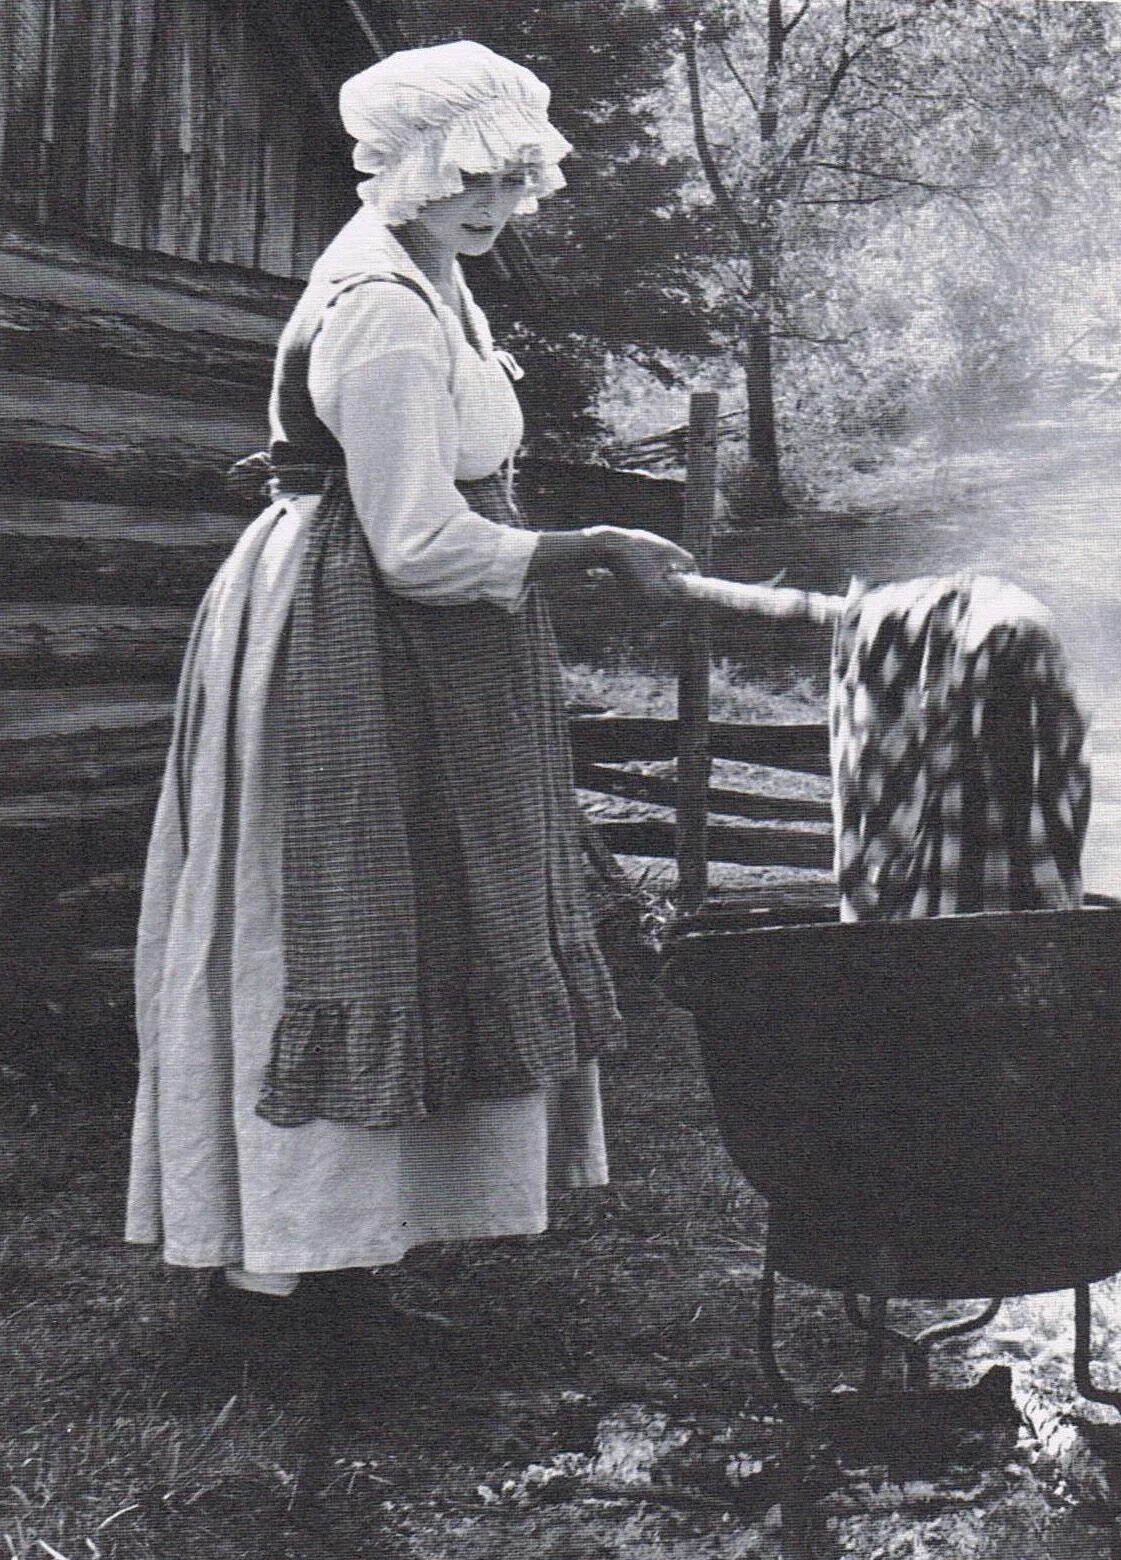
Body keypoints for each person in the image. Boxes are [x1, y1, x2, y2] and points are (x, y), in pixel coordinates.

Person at [126, 40, 696, 1380]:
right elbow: (417, 544)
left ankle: (349, 1269)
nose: (495, 201)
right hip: (349, 640)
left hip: (417, 650)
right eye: (469, 177)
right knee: (333, 926)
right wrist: (591, 544)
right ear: (412, 171)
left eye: (512, 175)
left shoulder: (438, 279)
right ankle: (270, 1296)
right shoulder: (378, 305)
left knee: (419, 918)